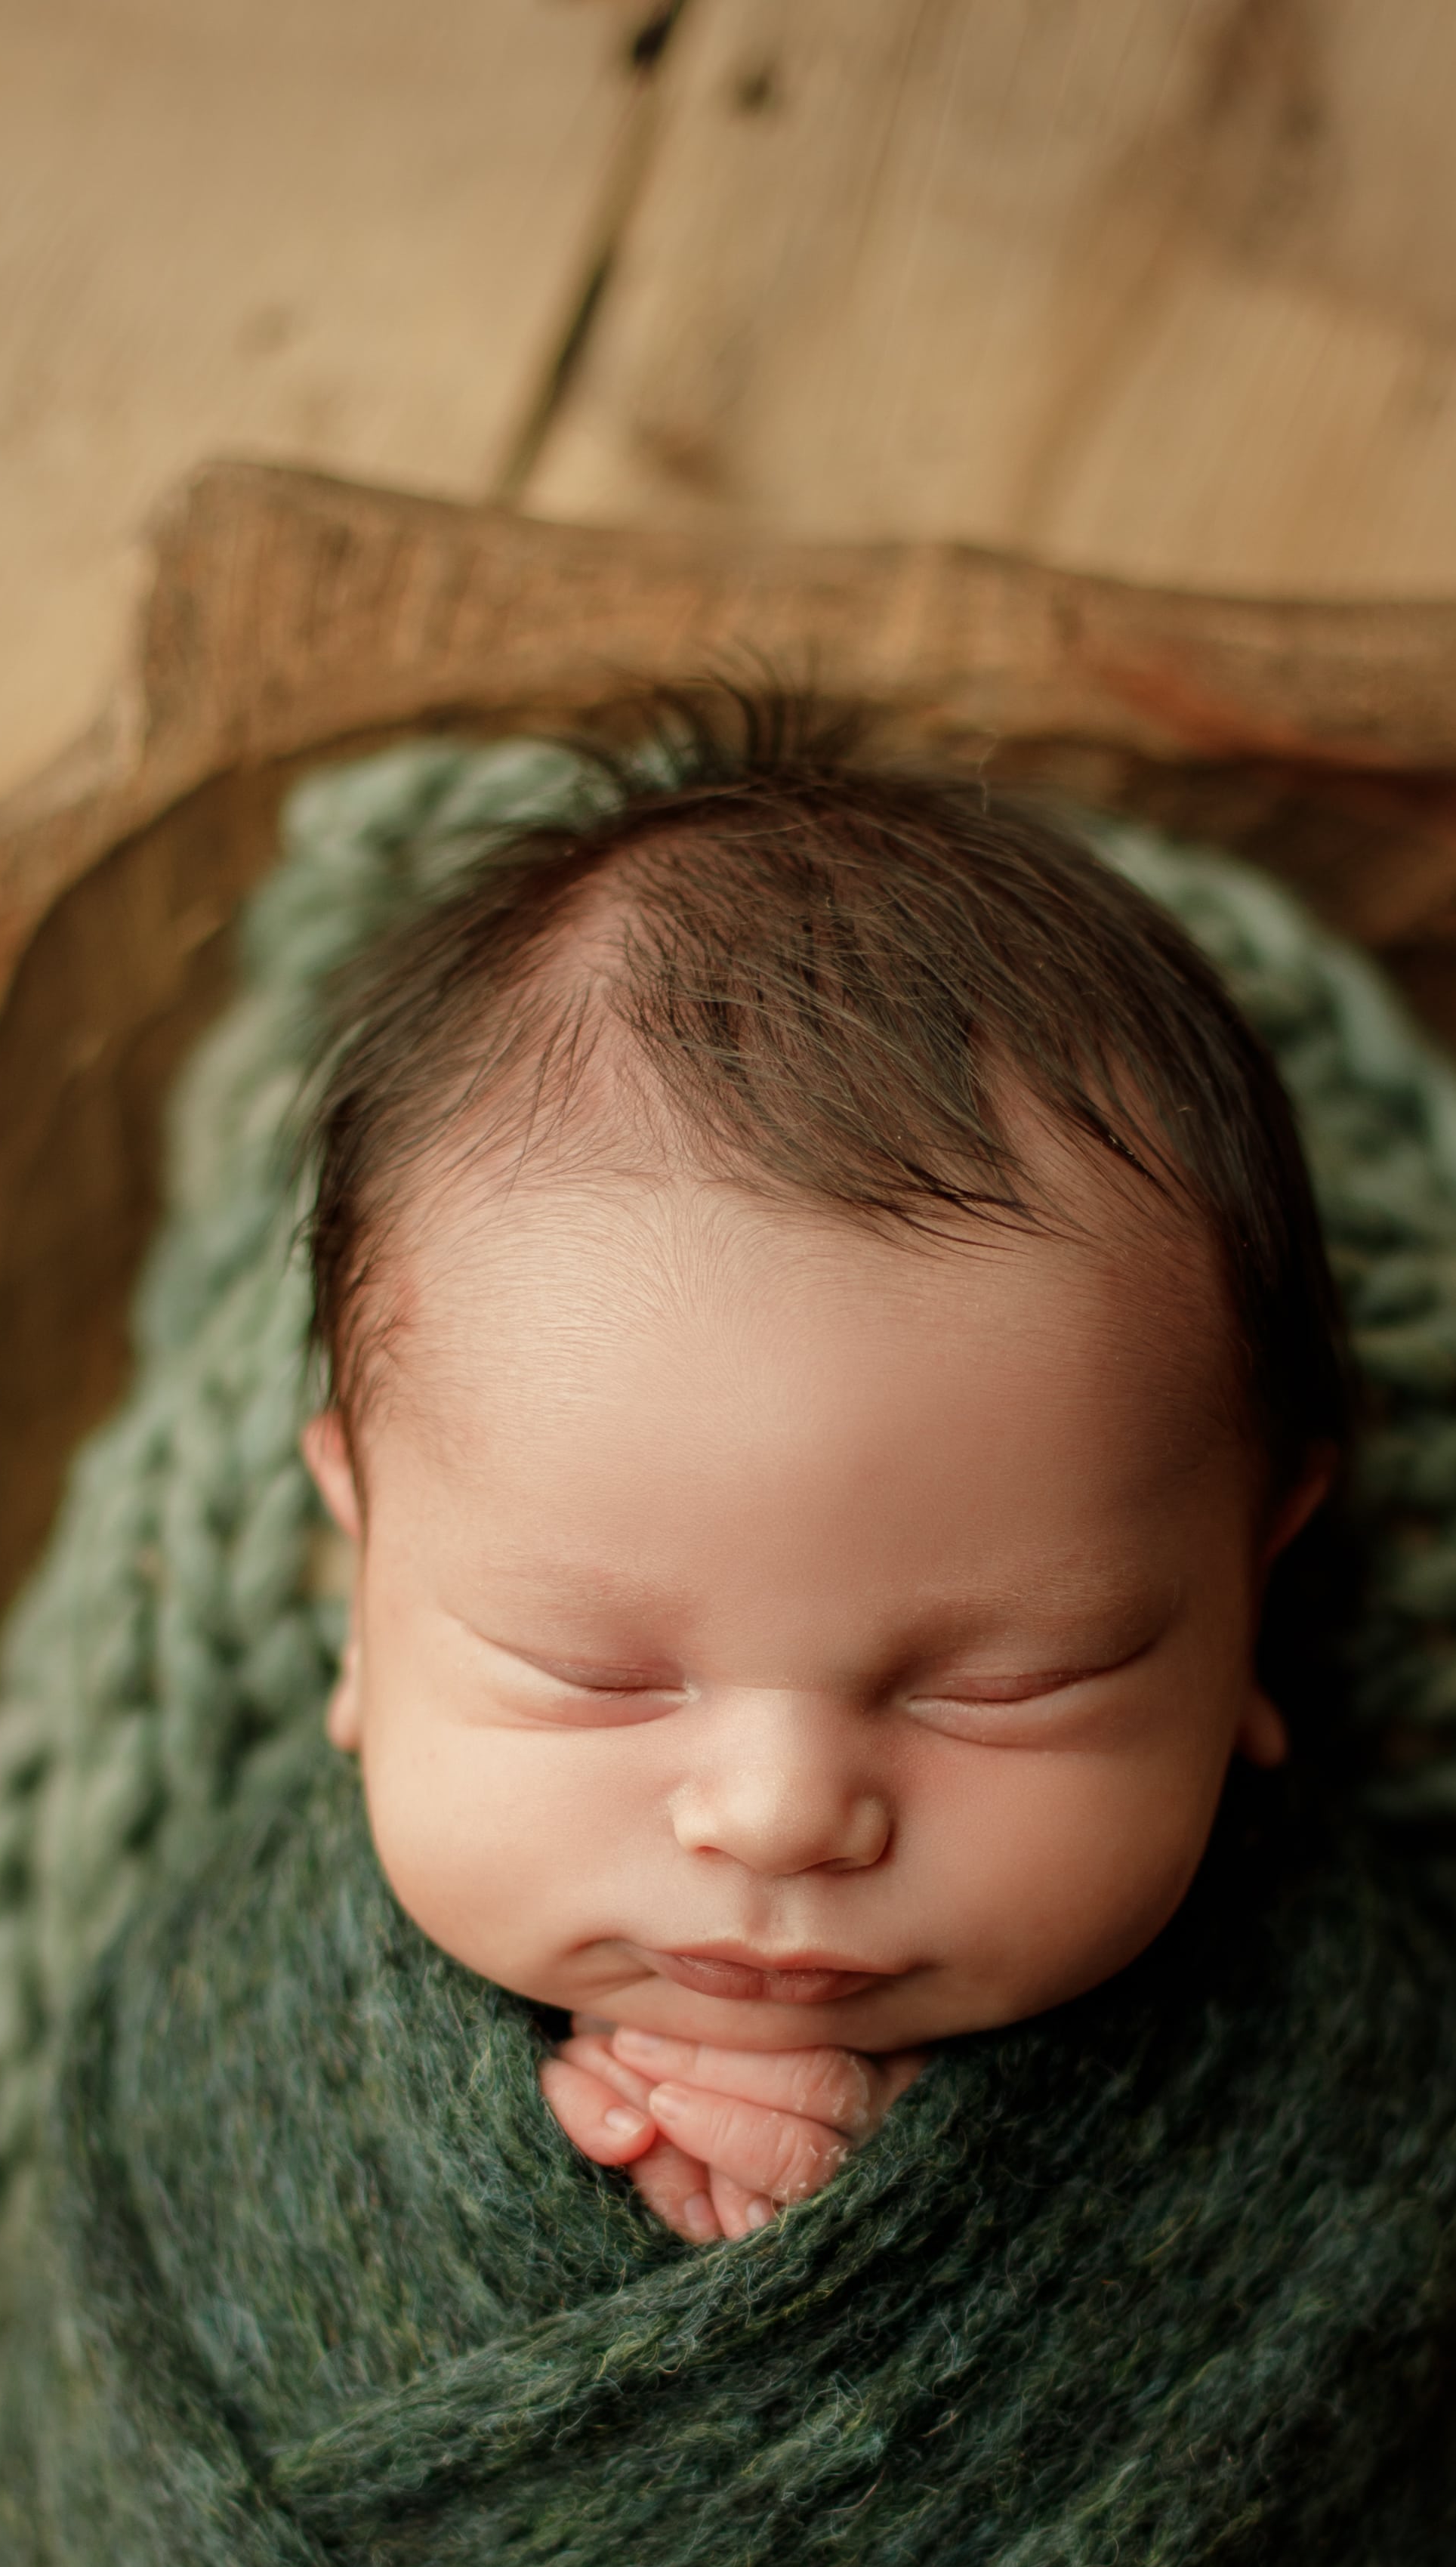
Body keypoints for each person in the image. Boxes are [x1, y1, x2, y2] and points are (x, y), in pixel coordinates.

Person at [295, 699, 1355, 2238]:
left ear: (1250, 1593)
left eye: (1008, 1683)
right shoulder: (231, 2013)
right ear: (360, 1586)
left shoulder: (1328, 2076)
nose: (781, 1815)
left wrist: (919, 2280)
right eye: (589, 1670)